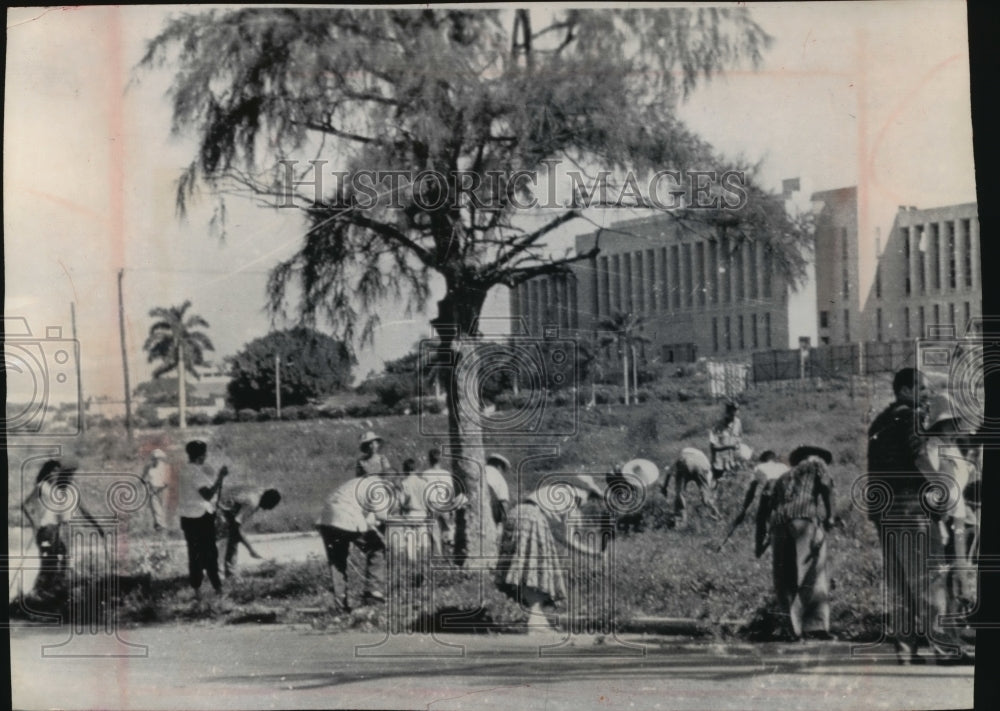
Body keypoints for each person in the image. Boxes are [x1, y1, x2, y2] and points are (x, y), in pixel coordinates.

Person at [867, 368, 972, 665]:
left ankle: (905, 651)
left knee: (900, 584)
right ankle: (946, 649)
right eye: (922, 389)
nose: (926, 396)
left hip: (884, 513)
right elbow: (921, 456)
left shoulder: (879, 421)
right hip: (912, 510)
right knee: (928, 579)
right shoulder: (911, 417)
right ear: (904, 391)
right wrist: (939, 488)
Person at [495, 474, 606, 635]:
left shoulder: (557, 491)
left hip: (516, 514)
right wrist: (594, 553)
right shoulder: (574, 500)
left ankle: (539, 619)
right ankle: (534, 621)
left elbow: (559, 535)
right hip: (532, 518)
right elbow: (568, 539)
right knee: (537, 571)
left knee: (530, 569)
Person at [767, 445, 835, 641]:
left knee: (785, 578)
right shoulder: (816, 466)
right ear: (813, 457)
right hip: (804, 519)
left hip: (778, 524)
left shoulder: (783, 477)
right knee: (813, 572)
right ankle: (816, 626)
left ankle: (793, 630)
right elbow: (827, 487)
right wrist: (831, 516)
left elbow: (772, 505)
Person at [20, 458, 105, 602]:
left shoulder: (64, 490)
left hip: (61, 529)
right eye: (53, 472)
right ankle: (37, 595)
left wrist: (97, 526)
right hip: (47, 529)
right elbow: (26, 505)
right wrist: (35, 523)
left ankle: (55, 592)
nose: (56, 475)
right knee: (49, 563)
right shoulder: (43, 487)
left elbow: (83, 510)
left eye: (58, 472)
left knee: (64, 560)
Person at [923, 393, 977, 617]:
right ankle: (942, 620)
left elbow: (963, 480)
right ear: (939, 425)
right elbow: (931, 481)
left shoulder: (954, 448)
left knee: (960, 568)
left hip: (960, 515)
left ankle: (956, 617)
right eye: (948, 424)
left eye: (955, 423)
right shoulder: (932, 446)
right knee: (943, 569)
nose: (953, 428)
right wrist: (939, 517)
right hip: (942, 515)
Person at [317, 475, 392, 612]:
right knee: (376, 548)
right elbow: (382, 516)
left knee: (337, 563)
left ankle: (340, 605)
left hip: (326, 520)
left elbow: (369, 516)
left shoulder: (356, 483)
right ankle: (373, 594)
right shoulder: (379, 486)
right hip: (346, 518)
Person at [177, 440, 228, 598]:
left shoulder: (183, 470)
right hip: (201, 516)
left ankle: (197, 590)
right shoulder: (195, 472)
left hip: (186, 516)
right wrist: (220, 478)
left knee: (194, 554)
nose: (206, 456)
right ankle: (217, 588)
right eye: (205, 454)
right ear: (201, 456)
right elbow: (208, 495)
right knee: (210, 553)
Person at [729, 450, 790, 558]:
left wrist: (744, 509)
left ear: (764, 459)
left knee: (761, 521)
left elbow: (752, 490)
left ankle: (758, 549)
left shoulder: (760, 467)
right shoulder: (784, 467)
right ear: (774, 459)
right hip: (784, 497)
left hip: (769, 494)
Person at [217, 485, 282, 578]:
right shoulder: (253, 502)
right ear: (267, 501)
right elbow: (235, 527)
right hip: (219, 512)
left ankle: (229, 573)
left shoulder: (260, 492)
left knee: (232, 540)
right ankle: (221, 573)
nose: (266, 509)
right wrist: (251, 550)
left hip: (224, 509)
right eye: (269, 506)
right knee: (226, 541)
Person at [661, 447, 721, 525]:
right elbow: (708, 474)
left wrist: (664, 487)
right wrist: (708, 491)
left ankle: (680, 520)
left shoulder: (681, 455)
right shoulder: (702, 456)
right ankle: (716, 515)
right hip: (701, 465)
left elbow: (669, 473)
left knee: (680, 493)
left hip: (685, 462)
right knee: (705, 495)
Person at [420, 448, 456, 555]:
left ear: (429, 459)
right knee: (447, 530)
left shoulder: (425, 474)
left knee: (434, 532)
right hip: (444, 504)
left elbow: (424, 492)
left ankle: (437, 554)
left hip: (432, 504)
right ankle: (448, 553)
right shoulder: (446, 474)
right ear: (440, 460)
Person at [709, 401, 744, 481]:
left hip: (733, 464)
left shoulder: (738, 423)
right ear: (727, 412)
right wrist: (730, 446)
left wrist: (739, 455)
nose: (734, 415)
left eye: (736, 411)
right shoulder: (717, 426)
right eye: (731, 412)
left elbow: (739, 438)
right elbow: (713, 446)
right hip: (719, 465)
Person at [140, 449, 172, 531]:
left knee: (162, 507)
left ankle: (160, 525)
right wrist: (145, 483)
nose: (156, 460)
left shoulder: (165, 467)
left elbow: (167, 481)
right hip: (152, 488)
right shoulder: (148, 467)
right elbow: (143, 477)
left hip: (162, 489)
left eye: (158, 458)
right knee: (155, 508)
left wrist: (161, 488)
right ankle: (159, 525)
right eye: (154, 458)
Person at [484, 454, 512, 543]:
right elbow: (504, 503)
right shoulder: (499, 479)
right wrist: (504, 523)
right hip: (490, 514)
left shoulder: (479, 471)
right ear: (499, 466)